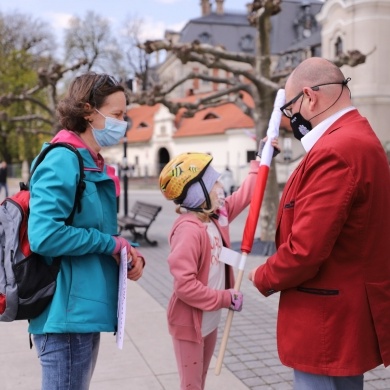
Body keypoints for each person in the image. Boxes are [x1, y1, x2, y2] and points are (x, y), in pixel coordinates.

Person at [248, 57, 390, 390]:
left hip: (326, 319)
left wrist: (263, 274)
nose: (291, 120)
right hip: (340, 315)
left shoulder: (336, 150)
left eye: (289, 110)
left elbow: (305, 250)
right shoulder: (356, 138)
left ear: (309, 98)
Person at [28, 72, 145, 390]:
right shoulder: (63, 160)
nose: (124, 122)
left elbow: (94, 230)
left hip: (79, 308)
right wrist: (110, 243)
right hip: (65, 312)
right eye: (118, 114)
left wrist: (126, 250)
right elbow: (45, 235)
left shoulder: (87, 160)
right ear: (88, 110)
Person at [159, 145, 278, 390]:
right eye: (215, 183)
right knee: (192, 385)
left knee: (200, 380)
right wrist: (225, 298)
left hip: (209, 318)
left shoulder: (215, 217)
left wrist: (261, 159)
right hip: (189, 324)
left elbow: (246, 195)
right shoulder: (189, 230)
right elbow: (184, 286)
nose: (221, 187)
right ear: (196, 192)